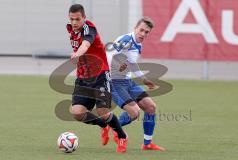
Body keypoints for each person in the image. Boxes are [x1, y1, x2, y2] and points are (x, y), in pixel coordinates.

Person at [67, 4, 127, 153]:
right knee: (77, 113)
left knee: (103, 111)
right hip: (82, 78)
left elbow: (85, 45)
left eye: (78, 19)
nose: (74, 22)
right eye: (72, 19)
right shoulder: (71, 29)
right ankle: (103, 125)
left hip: (100, 75)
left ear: (84, 18)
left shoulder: (89, 28)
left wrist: (77, 54)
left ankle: (121, 136)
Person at [109, 17, 165, 151]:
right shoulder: (126, 40)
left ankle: (147, 144)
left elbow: (132, 64)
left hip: (128, 81)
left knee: (151, 107)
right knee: (135, 113)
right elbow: (108, 55)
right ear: (135, 28)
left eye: (146, 32)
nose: (143, 34)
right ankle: (111, 125)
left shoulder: (138, 44)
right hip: (115, 82)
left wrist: (144, 79)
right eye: (141, 30)